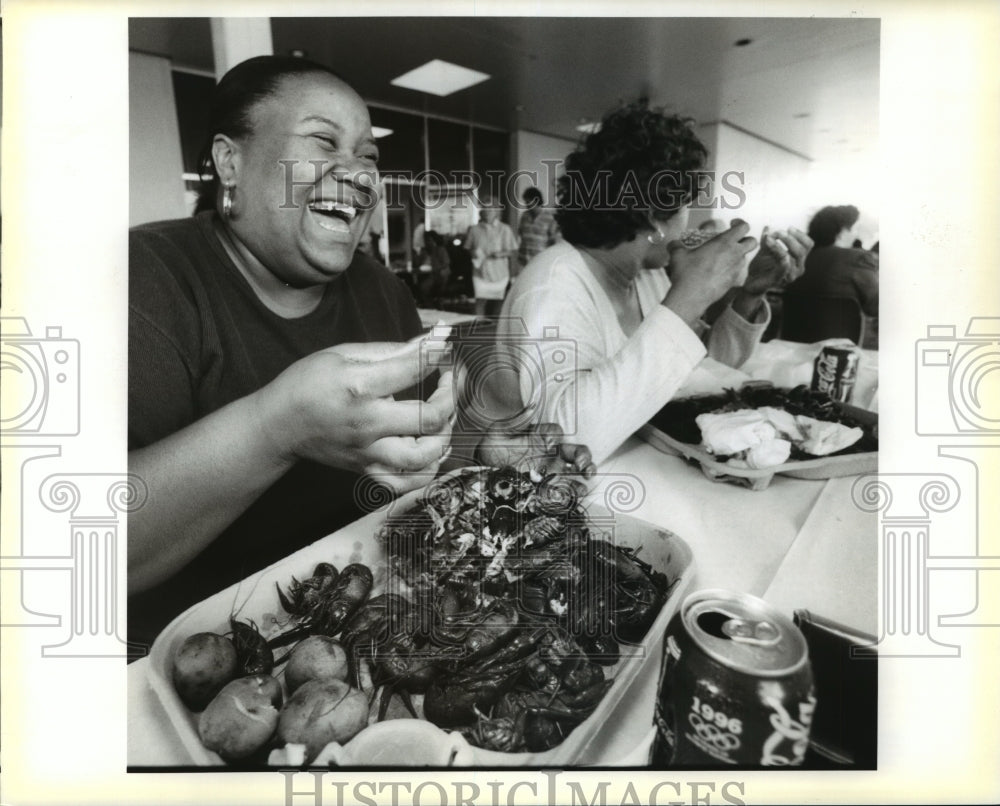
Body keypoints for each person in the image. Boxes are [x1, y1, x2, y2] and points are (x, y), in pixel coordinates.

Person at [127, 55, 590, 648]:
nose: (361, 174)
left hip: (369, 628)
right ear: (230, 162)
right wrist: (276, 427)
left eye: (369, 156)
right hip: (187, 676)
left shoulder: (380, 290)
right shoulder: (148, 278)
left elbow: (409, 454)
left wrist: (482, 454)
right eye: (324, 141)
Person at [491, 101, 812, 464]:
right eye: (685, 207)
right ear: (654, 219)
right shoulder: (553, 288)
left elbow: (700, 376)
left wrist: (751, 293)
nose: (688, 223)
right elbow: (564, 439)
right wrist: (686, 301)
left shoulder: (646, 276)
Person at [784, 204, 879, 317]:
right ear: (843, 232)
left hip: (794, 333)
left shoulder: (800, 259)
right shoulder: (859, 259)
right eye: (855, 229)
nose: (856, 235)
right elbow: (876, 308)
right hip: (843, 334)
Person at [463, 198, 518, 317]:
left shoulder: (505, 229)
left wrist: (500, 254)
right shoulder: (474, 229)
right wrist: (473, 253)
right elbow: (467, 248)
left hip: (499, 272)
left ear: (497, 211)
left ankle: (495, 330)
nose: (487, 211)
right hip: (480, 272)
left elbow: (512, 251)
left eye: (491, 209)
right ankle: (478, 328)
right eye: (485, 208)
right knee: (480, 302)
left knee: (499, 304)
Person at [516, 187, 559, 273]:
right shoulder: (524, 216)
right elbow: (521, 234)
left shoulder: (549, 217)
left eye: (528, 202)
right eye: (526, 202)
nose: (526, 204)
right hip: (524, 261)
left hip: (541, 261)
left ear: (536, 200)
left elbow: (554, 241)